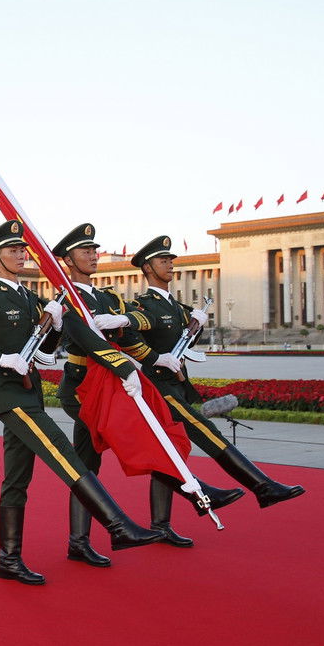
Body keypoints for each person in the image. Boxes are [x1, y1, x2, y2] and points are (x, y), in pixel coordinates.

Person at [0, 220, 163, 586]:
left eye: (21, 249)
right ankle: (118, 525)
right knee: (65, 453)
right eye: (12, 250)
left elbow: (45, 350)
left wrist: (57, 327)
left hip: (29, 393)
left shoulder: (30, 298)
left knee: (16, 480)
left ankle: (8, 560)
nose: (20, 254)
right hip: (10, 397)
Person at [51, 224, 243, 566]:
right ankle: (195, 488)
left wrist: (155, 359)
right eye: (85, 251)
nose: (93, 256)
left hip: (108, 384)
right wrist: (128, 366)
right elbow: (86, 343)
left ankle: (80, 542)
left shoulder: (108, 297)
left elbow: (125, 338)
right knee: (140, 434)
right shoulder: (67, 299)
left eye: (95, 250)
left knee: (85, 466)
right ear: (67, 260)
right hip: (82, 388)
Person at [131, 236, 306, 509]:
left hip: (178, 385)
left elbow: (187, 344)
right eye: (162, 260)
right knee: (206, 431)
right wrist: (155, 358)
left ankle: (161, 524)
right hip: (159, 386)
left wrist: (196, 327)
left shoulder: (176, 306)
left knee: (171, 451)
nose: (170, 265)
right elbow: (130, 338)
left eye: (170, 260)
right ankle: (262, 486)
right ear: (147, 268)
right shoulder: (144, 304)